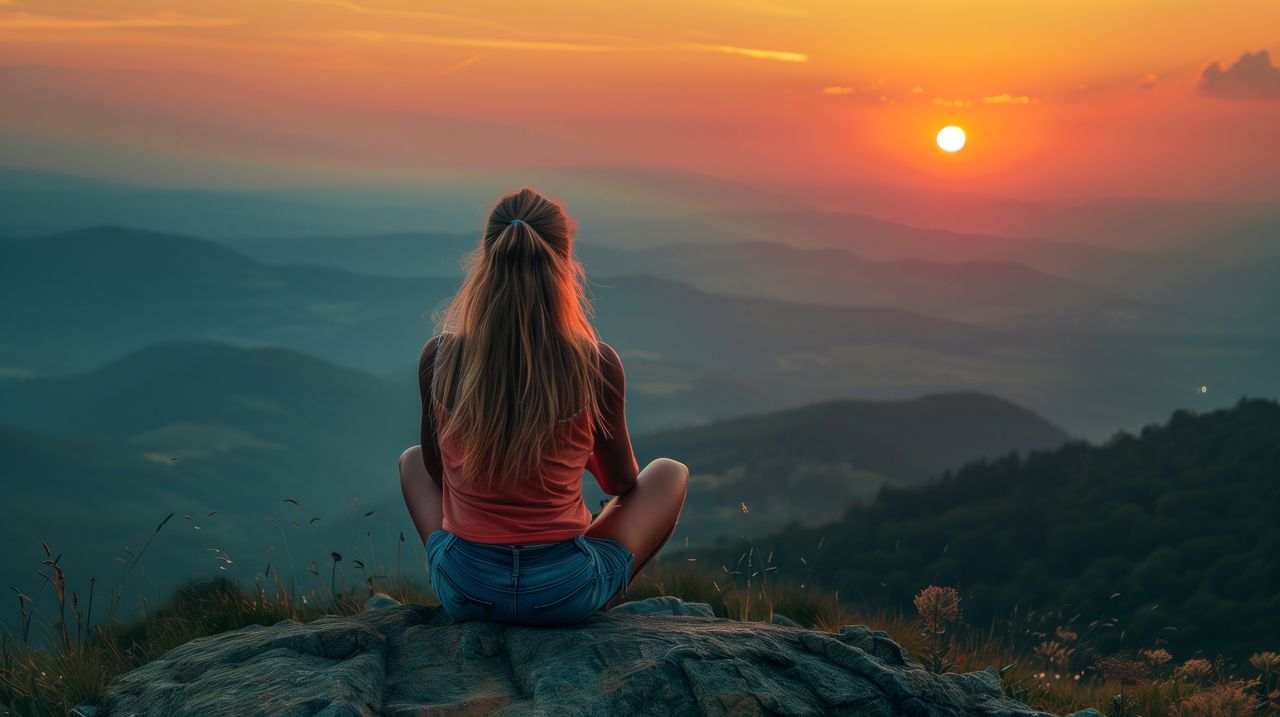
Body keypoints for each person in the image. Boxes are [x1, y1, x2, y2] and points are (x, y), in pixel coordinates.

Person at [398, 187, 689, 626]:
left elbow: (440, 476)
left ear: (487, 257)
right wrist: (571, 454)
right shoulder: (595, 363)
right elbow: (622, 483)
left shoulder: (440, 358)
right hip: (562, 593)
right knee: (669, 472)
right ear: (566, 262)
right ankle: (597, 596)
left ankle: (468, 568)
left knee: (412, 461)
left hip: (464, 592)